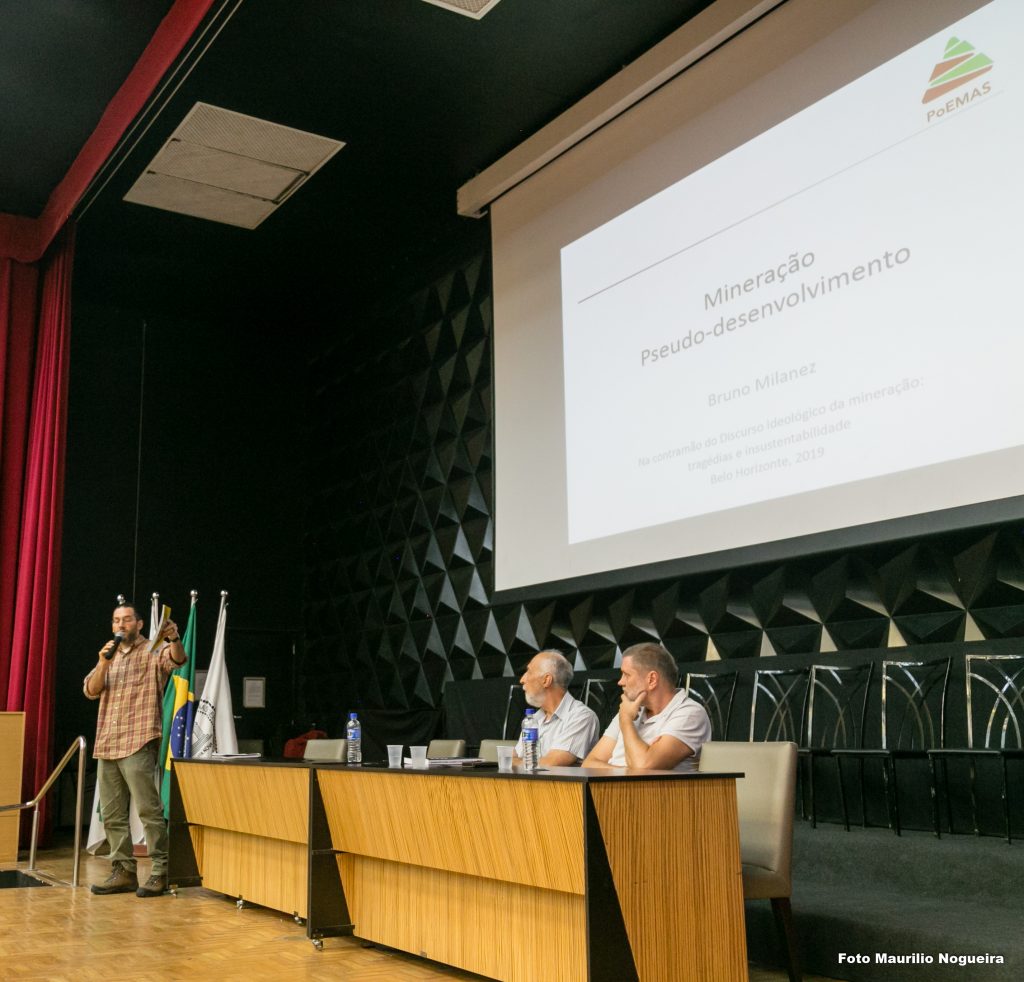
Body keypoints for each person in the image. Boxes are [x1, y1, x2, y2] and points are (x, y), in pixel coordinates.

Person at [84, 602, 185, 897]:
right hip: (108, 742)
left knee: (148, 810)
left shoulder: (153, 651)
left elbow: (177, 660)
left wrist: (174, 638)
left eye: (127, 619)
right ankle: (123, 871)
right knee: (112, 814)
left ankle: (160, 871)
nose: (121, 625)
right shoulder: (109, 655)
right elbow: (90, 690)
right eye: (116, 620)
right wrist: (103, 663)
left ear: (139, 624)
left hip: (138, 740)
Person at [582, 642, 710, 772]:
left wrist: (626, 721)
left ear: (652, 679)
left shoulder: (690, 714)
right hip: (612, 785)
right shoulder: (629, 709)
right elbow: (588, 764)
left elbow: (643, 768)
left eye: (627, 675)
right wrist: (630, 769)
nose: (620, 682)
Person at [513, 649, 599, 766]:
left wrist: (514, 762)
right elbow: (518, 757)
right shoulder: (532, 719)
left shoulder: (581, 717)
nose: (522, 680)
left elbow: (551, 764)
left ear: (546, 680)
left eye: (529, 672)